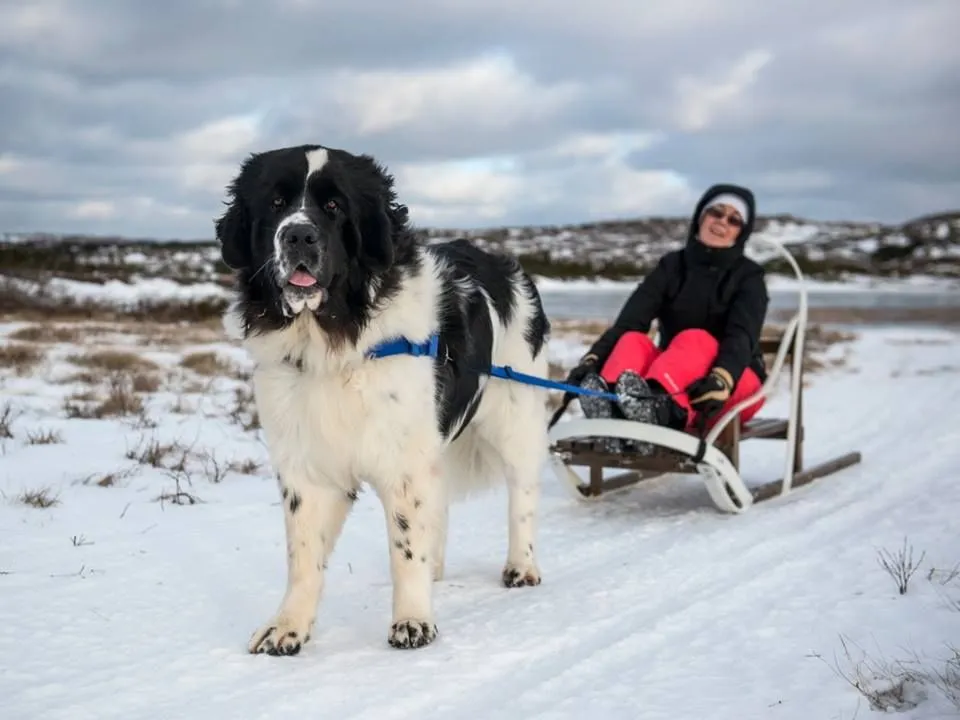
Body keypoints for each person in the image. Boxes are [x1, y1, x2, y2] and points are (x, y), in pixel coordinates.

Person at [565, 183, 770, 451]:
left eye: (734, 220)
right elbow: (630, 322)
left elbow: (741, 335)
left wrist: (722, 377)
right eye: (716, 213)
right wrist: (593, 359)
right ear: (701, 216)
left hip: (731, 383)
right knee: (632, 341)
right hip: (676, 372)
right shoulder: (671, 267)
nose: (722, 222)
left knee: (694, 338)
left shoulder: (749, 278)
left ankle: (659, 411)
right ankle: (609, 405)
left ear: (741, 232)